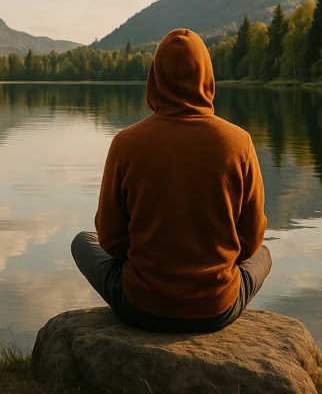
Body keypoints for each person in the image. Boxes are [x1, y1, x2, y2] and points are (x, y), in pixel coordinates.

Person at [72, 28, 271, 333]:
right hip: (216, 309)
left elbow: (110, 241)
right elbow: (251, 239)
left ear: (154, 79)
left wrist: (152, 263)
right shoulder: (239, 142)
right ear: (208, 77)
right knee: (264, 253)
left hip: (141, 306)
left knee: (83, 242)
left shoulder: (126, 143)